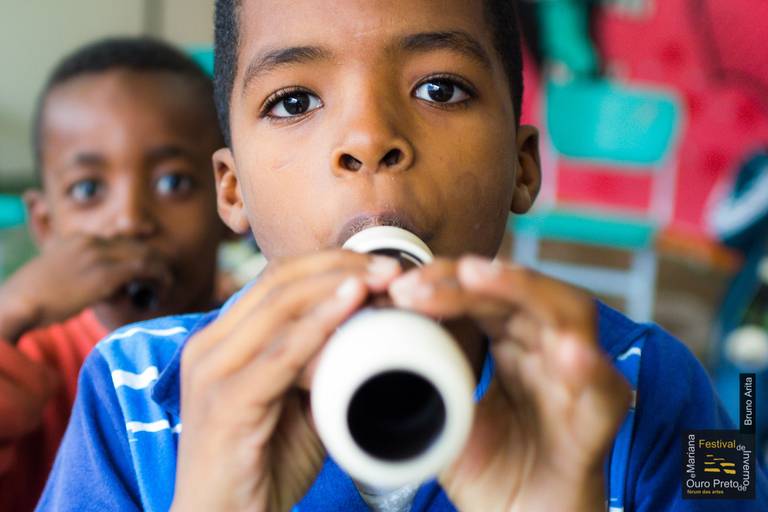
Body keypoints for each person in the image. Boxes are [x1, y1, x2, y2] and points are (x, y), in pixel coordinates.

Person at [38, 1, 768, 511]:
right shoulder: (131, 392)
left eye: (439, 87)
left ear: (521, 167)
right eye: (293, 101)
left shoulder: (657, 384)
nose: (368, 138)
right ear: (232, 189)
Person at [0, 37, 226, 511]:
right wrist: (12, 308)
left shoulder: (261, 333)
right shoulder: (27, 364)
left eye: (173, 182)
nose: (128, 219)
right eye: (87, 189)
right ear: (45, 224)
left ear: (230, 196)